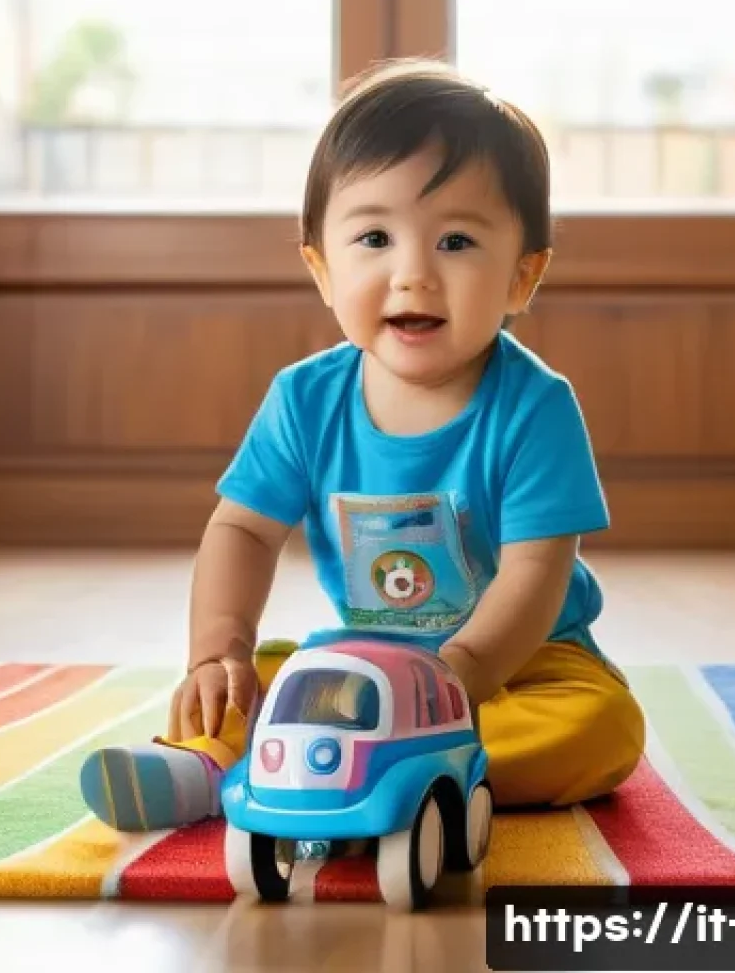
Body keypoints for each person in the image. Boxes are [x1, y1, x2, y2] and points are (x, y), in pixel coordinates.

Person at [79, 58, 645, 832]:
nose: (412, 274)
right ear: (321, 268)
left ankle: (417, 771)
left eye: (454, 241)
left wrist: (460, 677)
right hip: (365, 669)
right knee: (263, 684)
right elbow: (242, 529)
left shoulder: (535, 407)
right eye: (374, 237)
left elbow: (535, 574)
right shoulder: (305, 401)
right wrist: (218, 652)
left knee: (601, 727)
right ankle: (207, 767)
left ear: (522, 277)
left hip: (523, 666)